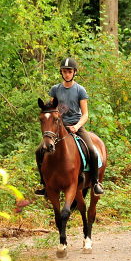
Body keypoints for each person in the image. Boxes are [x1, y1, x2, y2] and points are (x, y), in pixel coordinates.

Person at [35, 58, 105, 195]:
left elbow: (85, 114)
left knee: (92, 150)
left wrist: (77, 126)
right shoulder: (55, 89)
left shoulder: (80, 90)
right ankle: (43, 183)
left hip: (76, 126)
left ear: (74, 73)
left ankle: (96, 183)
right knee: (39, 151)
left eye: (69, 71)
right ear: (61, 72)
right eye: (64, 71)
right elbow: (52, 110)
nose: (67, 74)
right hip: (58, 127)